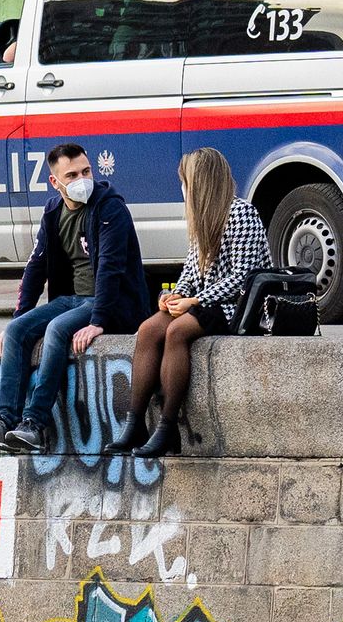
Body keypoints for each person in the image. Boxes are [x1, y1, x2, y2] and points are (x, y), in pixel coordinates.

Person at [0, 143, 152, 455]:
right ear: (54, 182)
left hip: (108, 303)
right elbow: (36, 266)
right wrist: (20, 315)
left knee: (57, 329)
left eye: (86, 171)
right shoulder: (53, 212)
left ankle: (34, 424)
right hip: (69, 298)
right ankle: (5, 422)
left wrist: (99, 321)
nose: (82, 179)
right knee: (17, 332)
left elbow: (111, 268)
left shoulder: (110, 208)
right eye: (72, 174)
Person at [111, 148, 266, 457]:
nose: (181, 189)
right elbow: (191, 271)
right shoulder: (200, 219)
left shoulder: (240, 213)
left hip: (236, 308)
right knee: (149, 328)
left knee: (176, 331)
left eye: (184, 182)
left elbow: (244, 278)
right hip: (205, 304)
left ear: (199, 184)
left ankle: (167, 427)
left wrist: (195, 300)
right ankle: (135, 422)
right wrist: (174, 296)